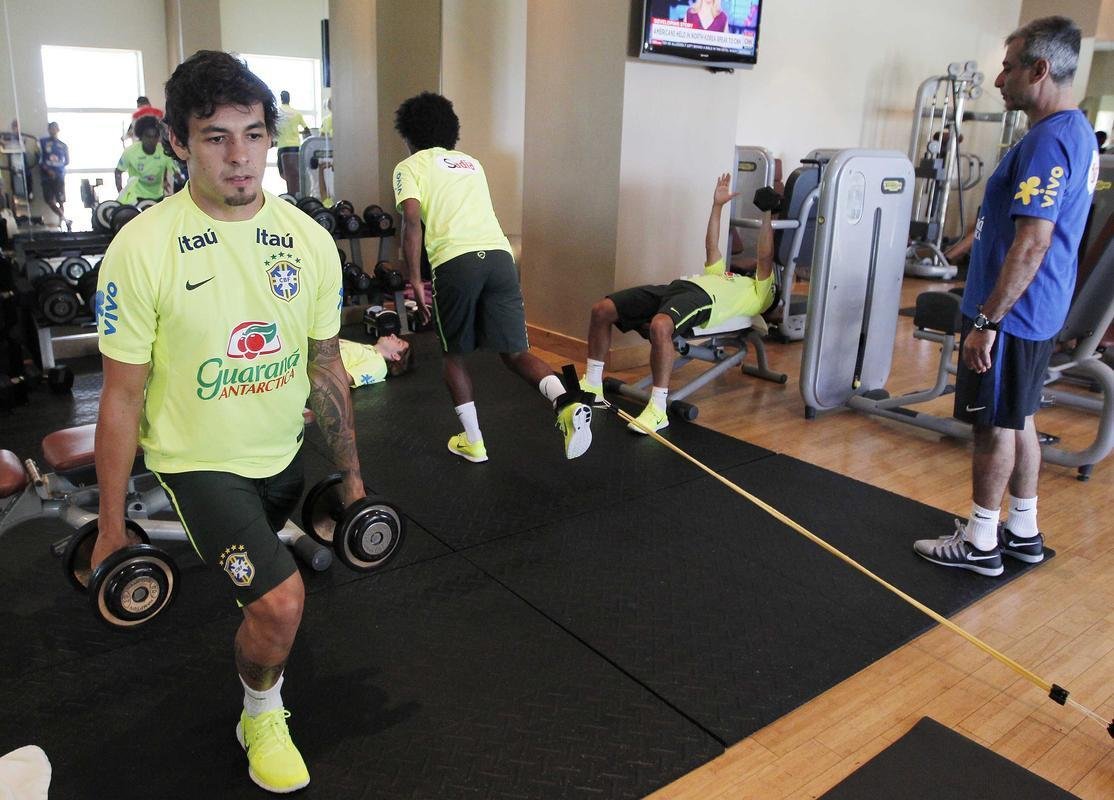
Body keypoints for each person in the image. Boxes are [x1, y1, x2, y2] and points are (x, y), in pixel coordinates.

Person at [91, 50, 363, 794]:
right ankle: (262, 714)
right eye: (216, 138)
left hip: (282, 456)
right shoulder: (140, 249)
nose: (240, 156)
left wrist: (352, 478)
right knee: (281, 603)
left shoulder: (308, 240)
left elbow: (327, 368)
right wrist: (112, 525)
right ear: (179, 144)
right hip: (196, 462)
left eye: (253, 134)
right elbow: (120, 396)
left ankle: (263, 601)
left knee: (265, 591)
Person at [914, 16, 1097, 577]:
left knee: (993, 426)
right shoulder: (1076, 131)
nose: (998, 79)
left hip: (1013, 314)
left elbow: (1033, 242)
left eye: (1008, 67)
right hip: (1037, 309)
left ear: (1040, 70)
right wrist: (965, 247)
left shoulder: (1047, 142)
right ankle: (1022, 530)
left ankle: (980, 541)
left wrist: (987, 321)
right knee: (1020, 419)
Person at [393, 92, 593, 463]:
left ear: (408, 136)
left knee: (453, 356)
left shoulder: (409, 166)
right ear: (451, 131)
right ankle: (565, 402)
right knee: (516, 353)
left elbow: (411, 218)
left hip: (456, 262)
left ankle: (474, 442)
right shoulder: (472, 163)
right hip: (500, 258)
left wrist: (415, 279)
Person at [581, 173, 776, 433]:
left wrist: (767, 214)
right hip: (675, 288)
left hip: (704, 300)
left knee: (660, 326)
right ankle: (593, 384)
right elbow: (712, 246)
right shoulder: (726, 276)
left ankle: (658, 409)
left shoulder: (759, 295)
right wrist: (717, 205)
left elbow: (765, 257)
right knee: (602, 309)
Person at [114, 115, 177, 204]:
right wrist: (121, 192)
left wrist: (169, 180)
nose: (152, 140)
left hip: (157, 196)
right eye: (148, 136)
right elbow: (118, 171)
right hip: (135, 197)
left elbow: (173, 170)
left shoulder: (163, 152)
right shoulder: (130, 152)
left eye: (155, 136)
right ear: (141, 136)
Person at [339, 333, 413, 385]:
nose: (393, 335)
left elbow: (340, 380)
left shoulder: (379, 365)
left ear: (396, 356)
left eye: (398, 342)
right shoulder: (368, 349)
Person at [275, 90, 308, 195]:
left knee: (284, 173)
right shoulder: (297, 113)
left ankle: (291, 194)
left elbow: (273, 129)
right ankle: (295, 194)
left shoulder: (277, 113)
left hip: (283, 146)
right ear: (289, 99)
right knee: (295, 173)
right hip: (296, 147)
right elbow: (307, 130)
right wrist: (298, 132)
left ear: (281, 99)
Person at [38, 122, 70, 229]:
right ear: (48, 130)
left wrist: (58, 168)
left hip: (59, 176)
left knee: (61, 200)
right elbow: (39, 159)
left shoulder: (63, 145)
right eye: (51, 129)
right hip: (46, 177)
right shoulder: (43, 142)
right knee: (49, 200)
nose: (53, 131)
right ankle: (64, 218)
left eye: (55, 128)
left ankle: (62, 222)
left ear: (58, 130)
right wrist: (47, 169)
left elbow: (67, 161)